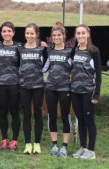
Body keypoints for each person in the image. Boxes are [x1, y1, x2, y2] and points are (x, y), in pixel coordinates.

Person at [71, 24, 102, 160]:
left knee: (89, 120)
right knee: (81, 120)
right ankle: (83, 148)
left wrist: (96, 94)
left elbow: (99, 75)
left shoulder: (94, 51)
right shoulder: (75, 50)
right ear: (76, 35)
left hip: (88, 92)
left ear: (88, 34)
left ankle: (91, 150)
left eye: (83, 33)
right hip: (75, 91)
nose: (81, 36)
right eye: (78, 33)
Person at [42, 26, 73, 157]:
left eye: (58, 35)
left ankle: (64, 146)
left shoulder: (70, 51)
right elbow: (44, 68)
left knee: (65, 116)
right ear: (51, 37)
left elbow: (76, 67)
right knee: (52, 116)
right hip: (50, 88)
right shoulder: (49, 51)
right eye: (54, 36)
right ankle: (54, 145)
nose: (56, 38)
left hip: (65, 88)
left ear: (64, 36)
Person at [0, 22, 21, 151]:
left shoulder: (19, 47)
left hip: (14, 84)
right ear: (1, 33)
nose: (7, 33)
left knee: (14, 112)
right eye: (4, 31)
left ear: (13, 32)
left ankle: (14, 140)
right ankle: (4, 140)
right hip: (1, 84)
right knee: (3, 112)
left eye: (9, 31)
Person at [18, 23, 47, 154]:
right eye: (27, 33)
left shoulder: (42, 48)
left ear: (36, 34)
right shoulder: (20, 48)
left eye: (32, 33)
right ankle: (28, 143)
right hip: (24, 86)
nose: (29, 36)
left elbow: (49, 63)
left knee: (37, 114)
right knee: (26, 115)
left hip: (38, 86)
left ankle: (37, 143)